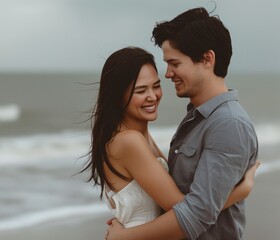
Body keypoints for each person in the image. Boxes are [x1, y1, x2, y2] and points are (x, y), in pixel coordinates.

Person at [106, 7, 259, 240]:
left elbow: (195, 213)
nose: (168, 74)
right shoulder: (196, 119)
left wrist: (124, 237)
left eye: (174, 63)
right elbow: (184, 203)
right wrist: (241, 191)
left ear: (207, 59)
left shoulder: (227, 124)